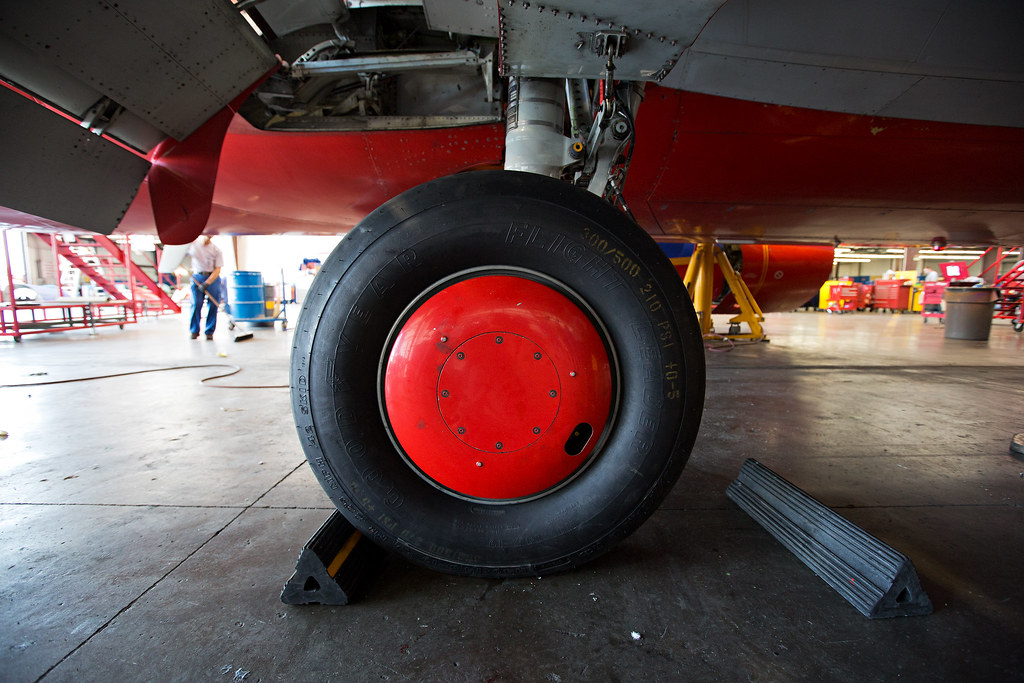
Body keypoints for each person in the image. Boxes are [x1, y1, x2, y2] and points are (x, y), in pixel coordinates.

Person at [187, 235, 223, 339]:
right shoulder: (193, 246)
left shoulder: (216, 250)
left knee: (213, 305)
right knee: (196, 304)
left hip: (212, 278)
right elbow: (180, 253)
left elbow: (217, 269)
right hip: (197, 277)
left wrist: (207, 283)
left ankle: (209, 332)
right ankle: (194, 331)